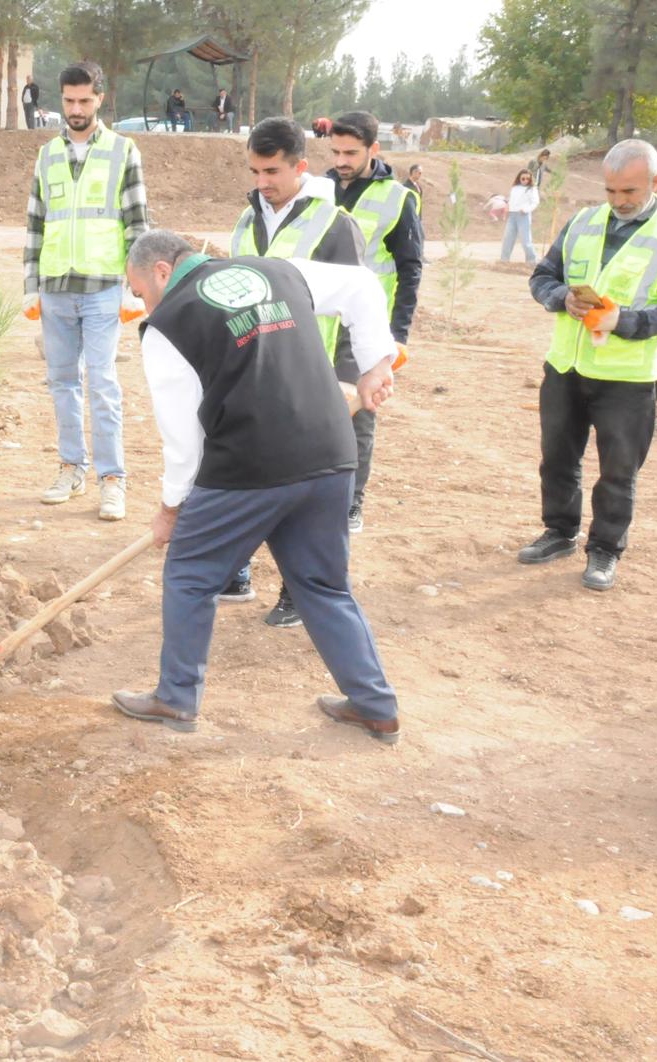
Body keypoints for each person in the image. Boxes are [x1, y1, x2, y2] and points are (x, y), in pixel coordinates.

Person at [111, 230, 401, 743]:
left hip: (249, 466)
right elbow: (361, 284)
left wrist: (171, 508)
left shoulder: (168, 325)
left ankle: (176, 699)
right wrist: (378, 362)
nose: (141, 303)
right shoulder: (277, 270)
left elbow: (183, 439)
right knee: (322, 584)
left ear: (160, 272)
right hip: (330, 453)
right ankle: (375, 705)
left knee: (191, 574)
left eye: (138, 291)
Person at [519, 139, 657, 591]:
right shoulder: (583, 223)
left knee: (618, 472)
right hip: (566, 366)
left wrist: (627, 321)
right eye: (611, 191)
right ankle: (560, 532)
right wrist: (561, 300)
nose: (619, 202)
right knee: (557, 459)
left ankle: (605, 550)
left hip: (627, 379)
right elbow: (542, 277)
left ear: (655, 182)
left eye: (630, 192)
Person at [225, 117, 365, 619]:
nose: (262, 183)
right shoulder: (247, 220)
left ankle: (299, 592)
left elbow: (359, 304)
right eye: (255, 171)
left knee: (305, 492)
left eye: (271, 172)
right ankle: (237, 571)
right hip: (256, 374)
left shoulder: (334, 225)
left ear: (300, 167)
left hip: (315, 376)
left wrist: (350, 377)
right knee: (249, 473)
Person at [23, 61, 149, 521]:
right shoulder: (47, 154)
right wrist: (29, 285)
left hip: (101, 288)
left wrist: (135, 289)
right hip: (56, 286)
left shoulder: (123, 150)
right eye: (69, 101)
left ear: (100, 97)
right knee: (61, 382)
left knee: (102, 382)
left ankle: (112, 479)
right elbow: (36, 221)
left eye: (84, 100)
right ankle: (71, 468)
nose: (75, 110)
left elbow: (137, 223)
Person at [326, 111, 424, 535]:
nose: (341, 160)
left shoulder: (397, 198)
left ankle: (351, 502)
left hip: (365, 329)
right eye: (335, 152)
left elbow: (410, 269)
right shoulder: (318, 189)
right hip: (319, 321)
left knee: (358, 415)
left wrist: (397, 336)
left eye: (351, 152)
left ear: (373, 149)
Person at [501, 167, 539, 264]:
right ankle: (504, 260)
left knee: (525, 240)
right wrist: (507, 206)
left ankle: (532, 261)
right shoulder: (514, 188)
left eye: (528, 179)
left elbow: (535, 202)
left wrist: (526, 209)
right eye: (523, 178)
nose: (525, 181)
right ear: (519, 178)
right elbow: (511, 199)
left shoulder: (532, 189)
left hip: (523, 215)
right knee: (508, 238)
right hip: (512, 215)